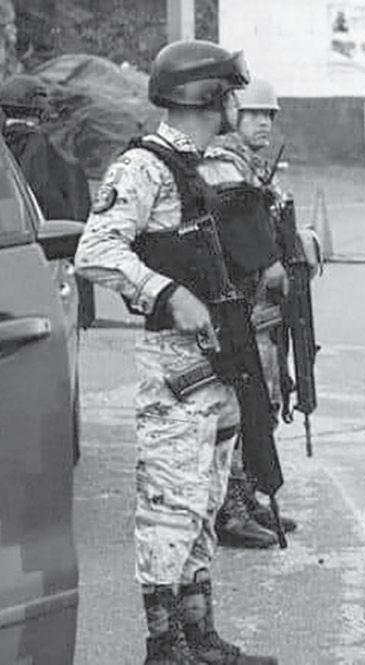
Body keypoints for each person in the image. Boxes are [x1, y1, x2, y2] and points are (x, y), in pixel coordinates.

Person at [74, 39, 279, 665]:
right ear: (208, 96)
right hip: (175, 369)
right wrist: (166, 293)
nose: (236, 104)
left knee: (206, 503)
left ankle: (198, 634)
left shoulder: (203, 166)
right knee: (170, 506)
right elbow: (95, 251)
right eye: (229, 93)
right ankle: (164, 646)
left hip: (218, 366)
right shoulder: (144, 168)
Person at [201, 79, 311, 549]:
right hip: (239, 310)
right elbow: (238, 236)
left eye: (269, 115)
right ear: (232, 116)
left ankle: (248, 495)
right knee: (240, 406)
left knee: (262, 404)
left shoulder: (252, 166)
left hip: (262, 312)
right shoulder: (220, 165)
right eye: (254, 114)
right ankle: (231, 508)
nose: (264, 122)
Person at [0, 73, 96, 328]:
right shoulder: (46, 150)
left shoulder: (6, 149)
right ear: (39, 108)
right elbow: (64, 208)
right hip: (42, 260)